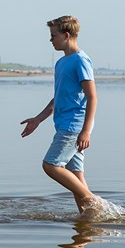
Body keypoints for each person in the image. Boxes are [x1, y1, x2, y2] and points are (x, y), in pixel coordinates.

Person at [20, 15, 100, 214]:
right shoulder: (61, 63)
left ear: (66, 35)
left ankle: (93, 201)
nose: (51, 40)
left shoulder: (81, 61)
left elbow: (92, 97)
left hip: (74, 127)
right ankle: (88, 221)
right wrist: (38, 119)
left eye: (53, 36)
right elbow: (58, 97)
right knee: (76, 177)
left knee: (51, 165)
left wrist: (86, 132)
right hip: (64, 124)